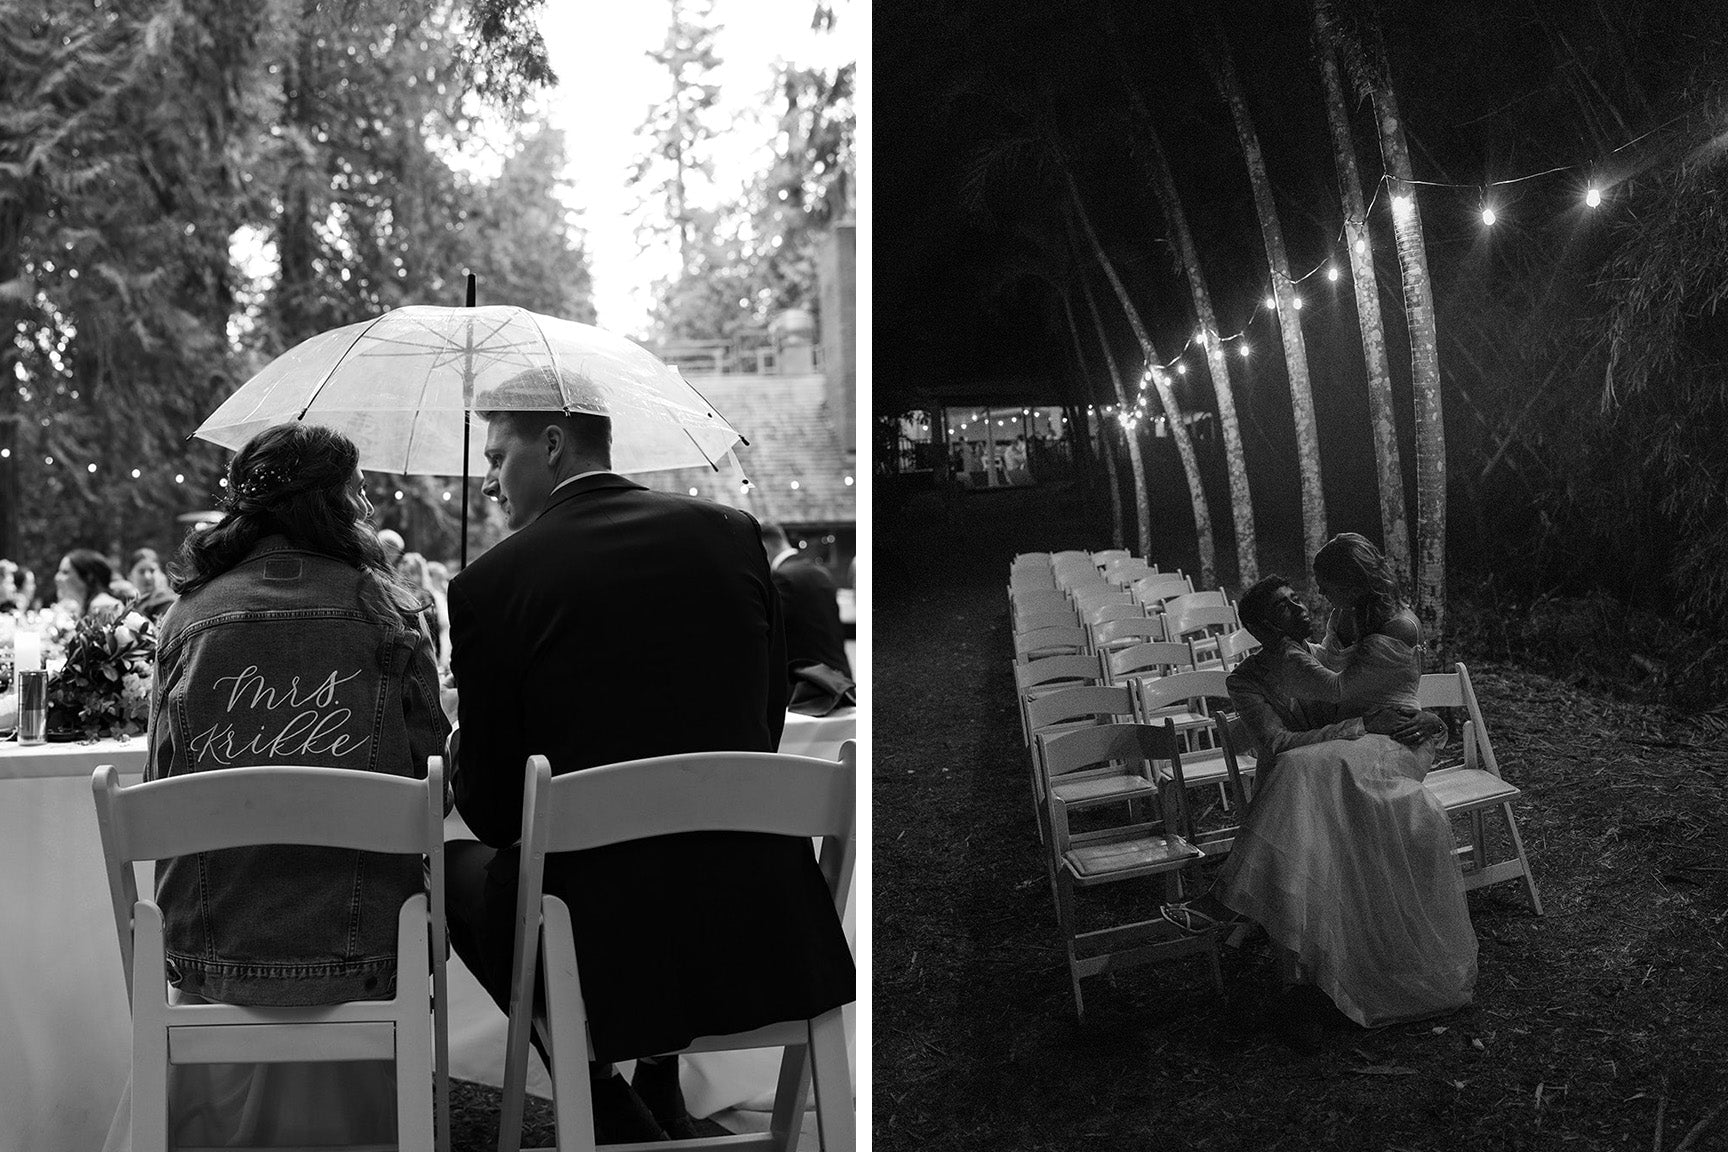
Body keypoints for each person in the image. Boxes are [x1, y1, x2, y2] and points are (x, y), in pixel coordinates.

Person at [444, 398, 855, 1143]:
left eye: (497, 458)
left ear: (555, 443)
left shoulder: (491, 586)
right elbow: (761, 730)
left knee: (447, 869)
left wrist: (464, 750)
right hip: (764, 916)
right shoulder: (729, 534)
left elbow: (499, 815)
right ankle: (658, 1080)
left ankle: (604, 1100)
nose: (490, 484)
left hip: (598, 947)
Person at [108, 422, 449, 1150]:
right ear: (331, 504)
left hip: (211, 954)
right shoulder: (389, 615)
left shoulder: (187, 621)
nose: (366, 504)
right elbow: (434, 795)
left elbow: (161, 790)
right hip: (363, 956)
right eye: (356, 490)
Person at [1214, 537, 1477, 1040]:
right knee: (1302, 768)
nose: (1311, 599)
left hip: (1389, 738)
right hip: (1347, 747)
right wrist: (1361, 721)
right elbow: (1290, 731)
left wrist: (1412, 714)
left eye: (1321, 586)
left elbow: (1351, 687)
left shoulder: (1381, 627)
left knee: (1308, 770)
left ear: (1349, 582)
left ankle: (1232, 899)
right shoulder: (1259, 672)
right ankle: (1314, 975)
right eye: (1289, 604)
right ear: (1268, 628)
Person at [760, 520, 851, 683]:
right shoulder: (820, 571)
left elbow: (773, 633)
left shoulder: (782, 577)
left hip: (812, 687)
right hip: (839, 678)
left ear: (764, 547)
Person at [55, 548, 124, 621]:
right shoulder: (81, 608)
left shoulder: (104, 606)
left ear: (88, 577)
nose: (57, 578)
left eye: (65, 572)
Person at [126, 546, 177, 621]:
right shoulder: (131, 607)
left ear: (160, 573)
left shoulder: (169, 605)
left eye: (152, 571)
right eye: (141, 571)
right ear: (130, 577)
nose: (147, 577)